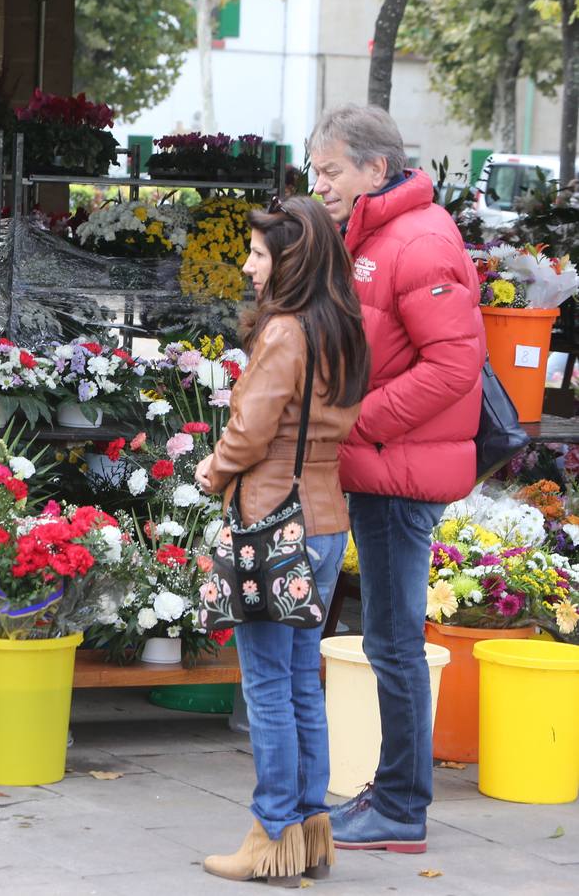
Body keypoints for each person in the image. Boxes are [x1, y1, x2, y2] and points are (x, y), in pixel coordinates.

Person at [306, 104, 485, 853]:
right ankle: (394, 791)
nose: (320, 185)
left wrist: (358, 422)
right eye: (316, 171)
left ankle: (404, 807)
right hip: (381, 463)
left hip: (399, 471)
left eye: (331, 171)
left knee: (393, 642)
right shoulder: (376, 232)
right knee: (387, 637)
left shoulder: (417, 240)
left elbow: (453, 366)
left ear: (377, 168)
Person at [195, 196, 370, 886]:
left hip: (273, 521)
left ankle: (271, 836)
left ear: (291, 261)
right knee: (301, 683)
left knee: (267, 686)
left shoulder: (286, 332)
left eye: (261, 255)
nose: (249, 265)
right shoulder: (346, 327)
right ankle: (308, 830)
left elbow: (252, 429)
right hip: (324, 521)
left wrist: (214, 467)